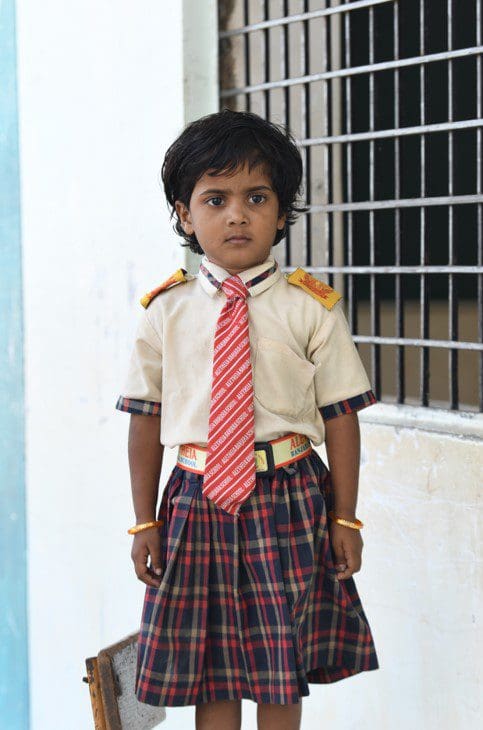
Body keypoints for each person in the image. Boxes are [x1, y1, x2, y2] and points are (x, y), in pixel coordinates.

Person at [116, 108, 379, 730]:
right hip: (195, 499)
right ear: (184, 214)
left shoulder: (310, 308)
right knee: (212, 661)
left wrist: (345, 516)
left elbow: (342, 417)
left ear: (282, 213)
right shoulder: (166, 311)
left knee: (277, 659)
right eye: (215, 198)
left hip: (289, 495)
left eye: (256, 197)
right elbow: (145, 422)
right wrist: (142, 522)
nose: (237, 214)